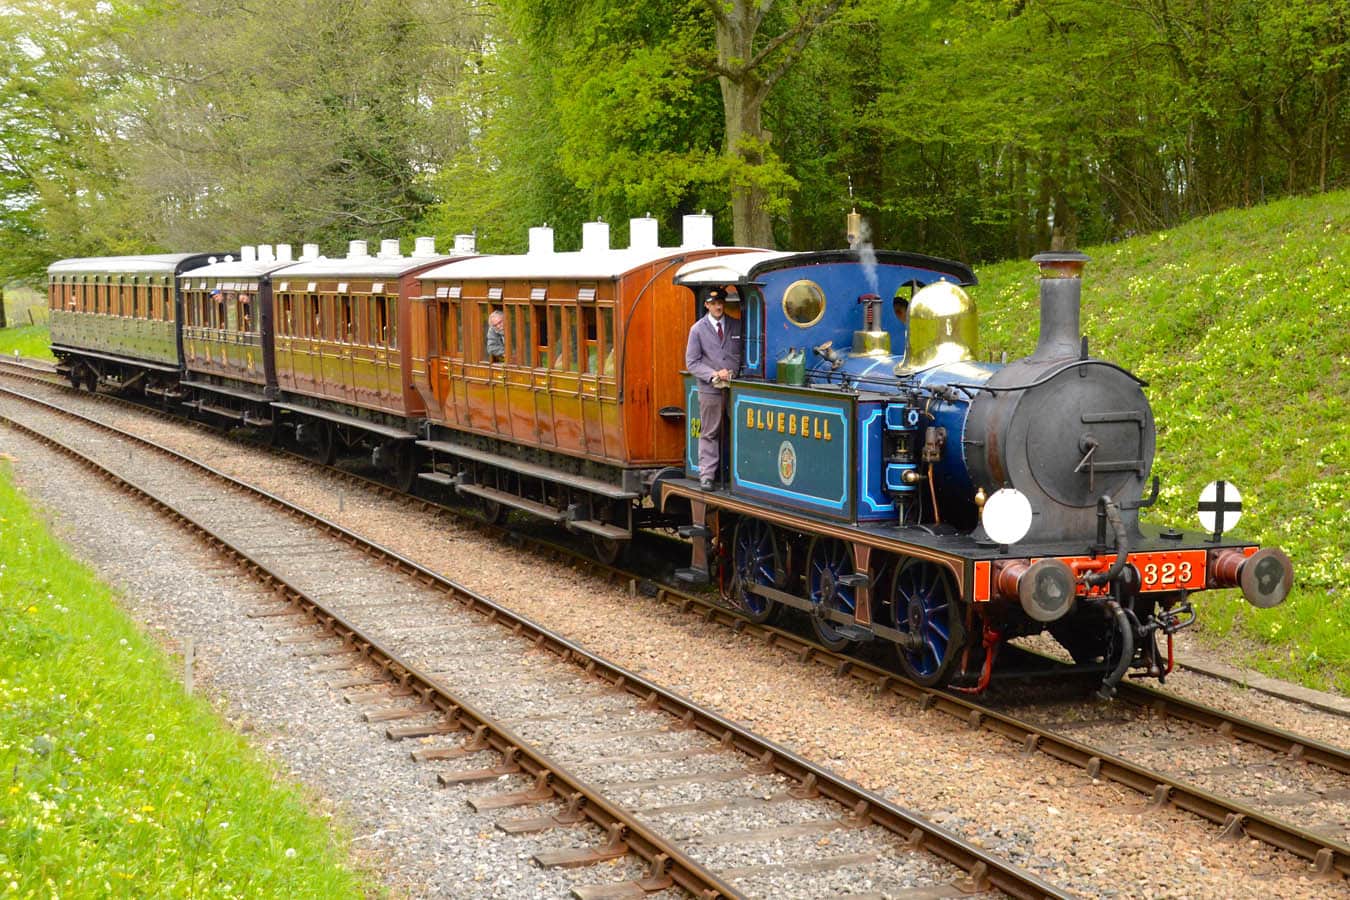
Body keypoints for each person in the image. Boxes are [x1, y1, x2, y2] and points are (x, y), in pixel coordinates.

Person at [684, 287, 741, 490]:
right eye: (714, 303)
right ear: (707, 305)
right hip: (710, 389)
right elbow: (692, 362)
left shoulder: (736, 325)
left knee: (737, 430)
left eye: (720, 303)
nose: (718, 306)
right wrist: (713, 374)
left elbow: (740, 355)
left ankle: (735, 474)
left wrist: (732, 372)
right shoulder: (697, 330)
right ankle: (707, 475)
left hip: (735, 389)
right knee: (710, 432)